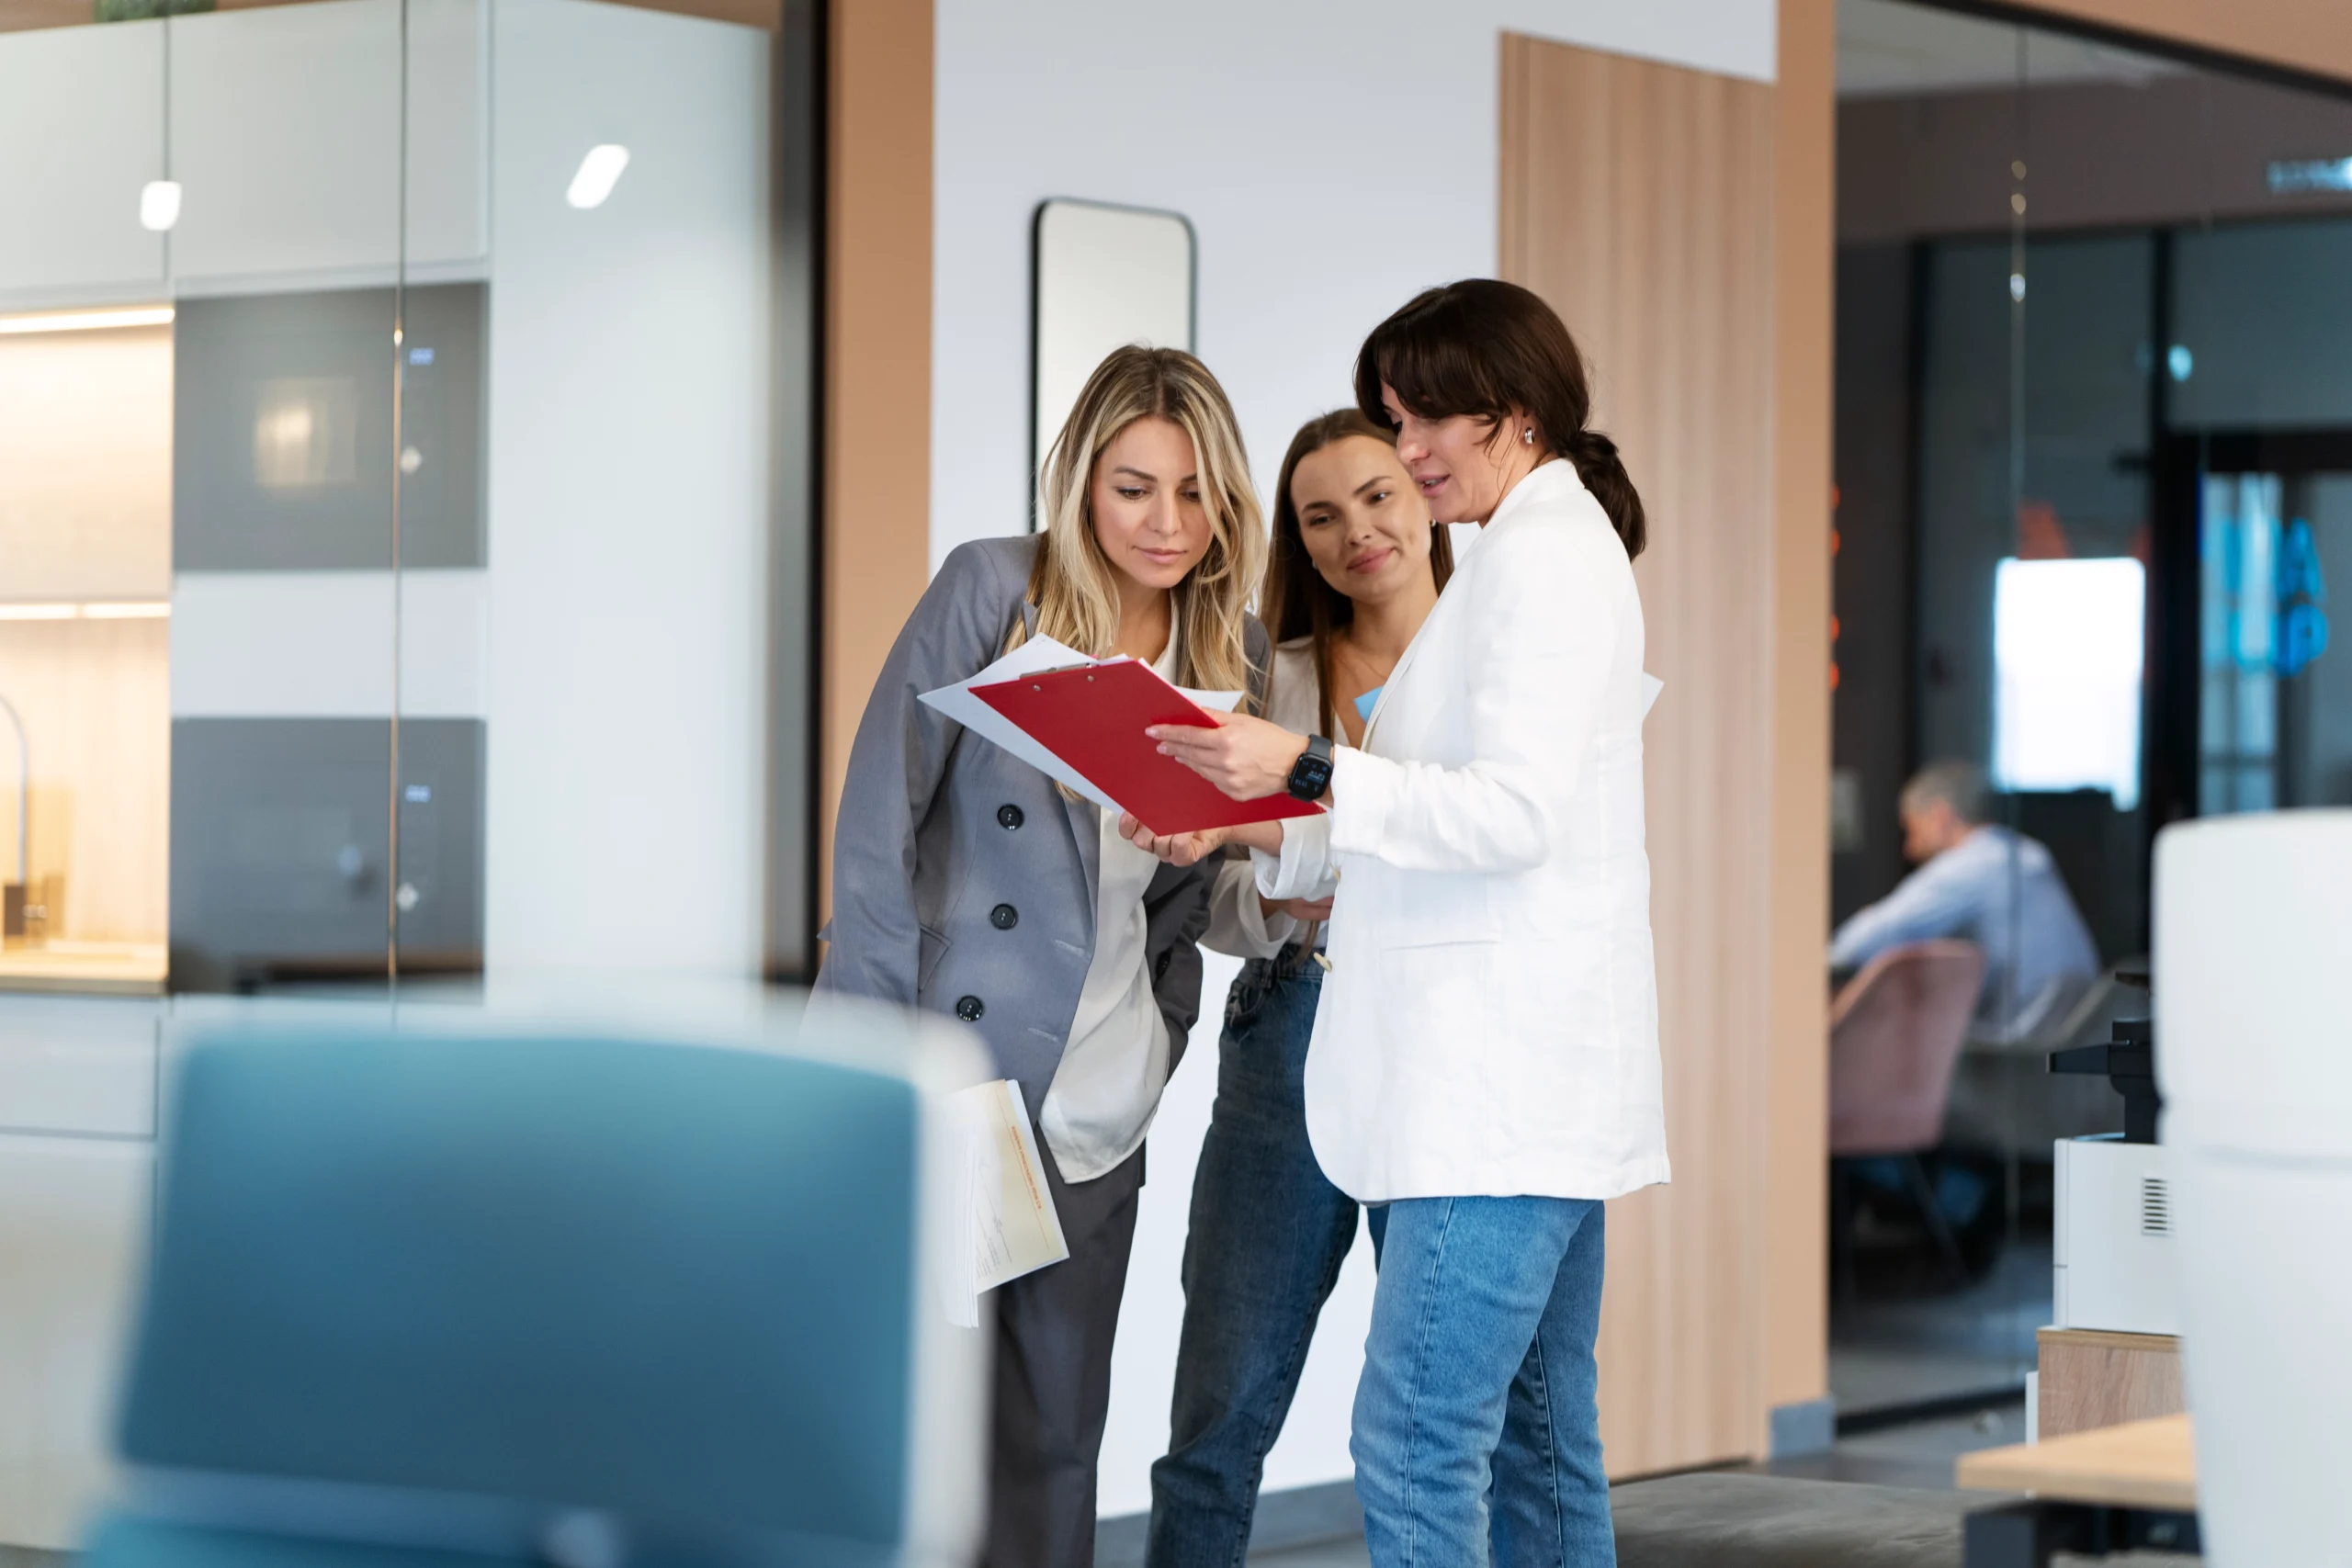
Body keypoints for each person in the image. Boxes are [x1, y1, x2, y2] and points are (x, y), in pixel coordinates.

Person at [1124, 279, 1668, 1568]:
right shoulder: (1524, 552)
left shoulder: (1541, 556)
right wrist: (1247, 825)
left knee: (1416, 1445)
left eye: (1427, 420)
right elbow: (1425, 830)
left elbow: (1509, 815)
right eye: (1394, 416)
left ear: (1516, 410)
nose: (1409, 451)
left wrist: (1300, 766)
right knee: (1537, 1446)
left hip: (1493, 1089)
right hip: (1497, 1081)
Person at [815, 344, 1270, 1568]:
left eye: (1195, 489)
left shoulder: (1238, 649)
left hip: (1100, 1091)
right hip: (954, 1074)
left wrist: (1168, 1024)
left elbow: (1205, 890)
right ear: (1079, 481)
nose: (1168, 521)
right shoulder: (991, 588)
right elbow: (877, 823)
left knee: (1056, 1436)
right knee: (915, 1424)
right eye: (1135, 487)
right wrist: (861, 1066)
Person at [1146, 410, 1451, 1568]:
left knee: (1433, 1424)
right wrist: (1279, 898)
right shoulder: (1267, 681)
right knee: (1217, 1412)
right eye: (1319, 517)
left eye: (1376, 496)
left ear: (1425, 496)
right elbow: (1221, 890)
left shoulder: (1490, 666)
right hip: (1292, 1028)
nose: (1356, 532)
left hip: (1438, 1045)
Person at [1830, 760, 2098, 1036]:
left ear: (1940, 817)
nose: (1909, 848)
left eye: (1912, 829)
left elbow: (1858, 946)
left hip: (2018, 1047)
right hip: (2071, 1035)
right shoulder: (2026, 853)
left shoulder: (1972, 865)